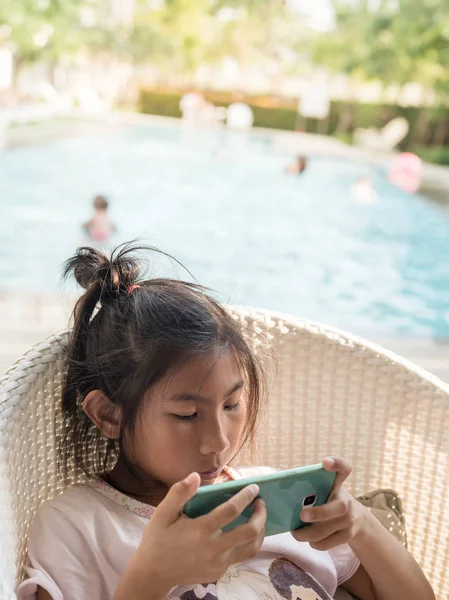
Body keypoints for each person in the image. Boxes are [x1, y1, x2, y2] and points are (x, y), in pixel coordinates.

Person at [18, 244, 435, 600]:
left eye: (232, 405)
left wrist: (361, 524)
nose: (217, 440)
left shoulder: (277, 500)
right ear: (109, 414)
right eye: (186, 414)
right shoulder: (79, 524)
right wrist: (152, 577)